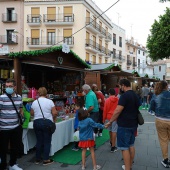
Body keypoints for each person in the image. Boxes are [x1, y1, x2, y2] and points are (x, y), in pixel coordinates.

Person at [105, 79, 140, 170]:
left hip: (124, 125)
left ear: (123, 85)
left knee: (124, 148)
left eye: (120, 86)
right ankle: (130, 166)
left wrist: (110, 121)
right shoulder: (135, 95)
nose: (119, 88)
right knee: (131, 145)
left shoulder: (124, 96)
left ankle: (127, 168)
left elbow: (117, 111)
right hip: (133, 124)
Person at [30, 87, 58, 165]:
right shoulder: (50, 102)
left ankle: (37, 159)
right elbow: (54, 113)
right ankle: (46, 159)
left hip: (36, 122)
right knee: (47, 141)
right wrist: (54, 119)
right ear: (46, 93)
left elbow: (32, 113)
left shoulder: (35, 102)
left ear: (38, 93)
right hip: (47, 122)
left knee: (39, 141)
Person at [0, 79, 23, 170]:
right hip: (4, 127)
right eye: (7, 86)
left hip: (16, 127)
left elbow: (20, 108)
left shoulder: (19, 97)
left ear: (15, 87)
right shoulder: (2, 97)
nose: (8, 88)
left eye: (10, 86)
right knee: (3, 148)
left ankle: (12, 164)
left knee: (15, 147)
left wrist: (22, 116)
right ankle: (3, 165)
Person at [150, 81, 170, 168]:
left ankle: (166, 160)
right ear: (166, 86)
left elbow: (151, 108)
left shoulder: (156, 95)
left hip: (160, 120)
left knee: (163, 141)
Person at [103, 88, 119, 153]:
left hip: (108, 117)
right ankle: (113, 146)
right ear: (115, 93)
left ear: (109, 93)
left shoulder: (107, 100)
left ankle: (111, 141)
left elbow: (105, 110)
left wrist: (103, 119)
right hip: (115, 117)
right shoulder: (118, 100)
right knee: (114, 131)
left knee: (110, 130)